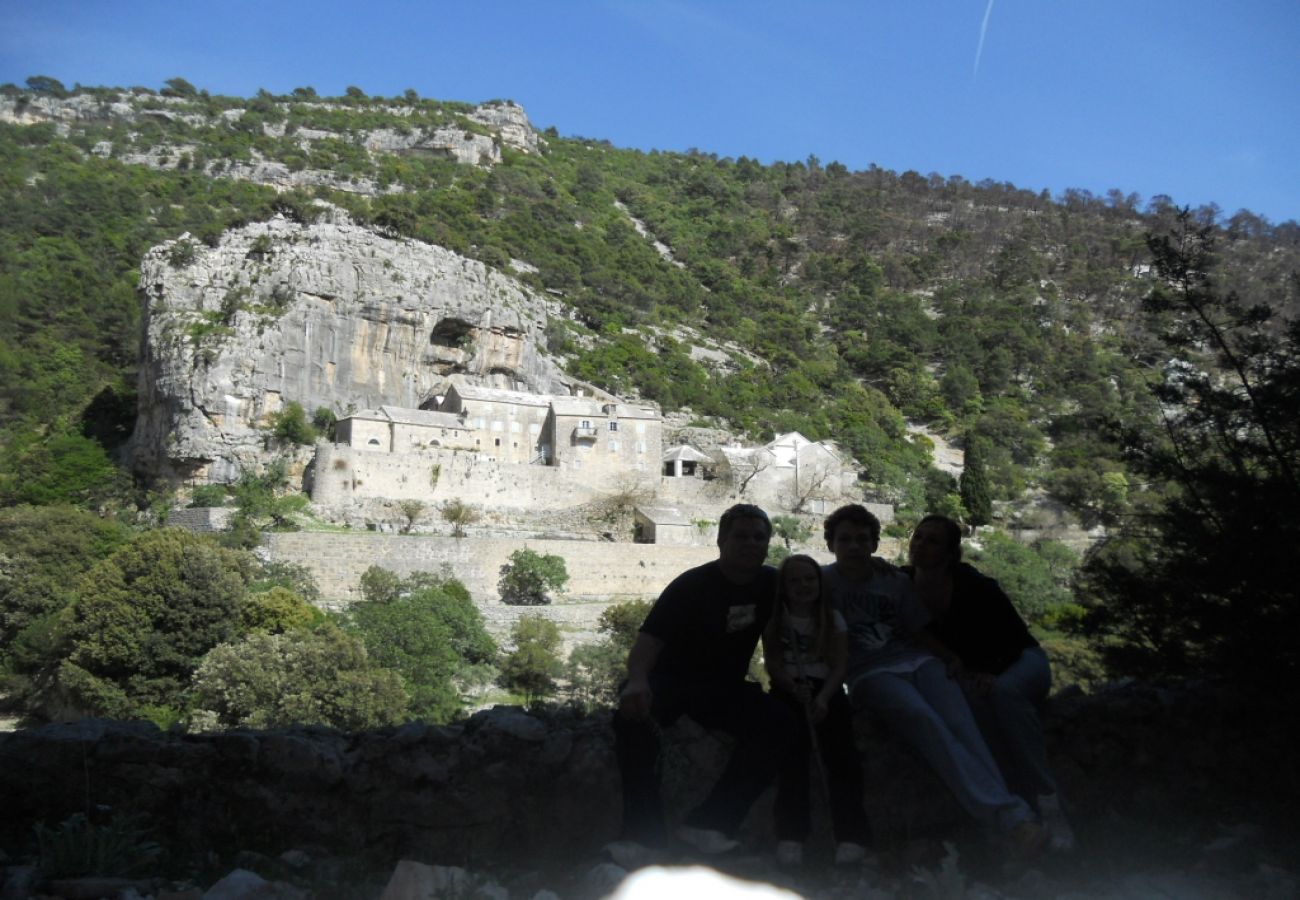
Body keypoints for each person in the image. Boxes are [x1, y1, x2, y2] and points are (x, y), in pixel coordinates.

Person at [822, 503, 1047, 855]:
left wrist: (948, 656)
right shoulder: (821, 582)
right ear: (830, 543)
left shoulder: (895, 580)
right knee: (925, 720)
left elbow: (917, 629)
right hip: (871, 672)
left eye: (862, 539)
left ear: (875, 544)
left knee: (963, 724)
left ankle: (1011, 821)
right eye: (845, 539)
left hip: (918, 661)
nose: (853, 546)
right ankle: (1011, 818)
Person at [612, 503, 799, 858]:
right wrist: (637, 680)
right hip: (672, 680)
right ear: (720, 540)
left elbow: (818, 587)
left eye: (759, 537)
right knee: (632, 722)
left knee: (781, 723)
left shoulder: (771, 584)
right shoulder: (692, 585)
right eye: (740, 536)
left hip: (724, 687)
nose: (750, 544)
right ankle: (641, 835)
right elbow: (649, 641)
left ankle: (711, 823)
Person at [907, 514, 1076, 851]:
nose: (921, 545)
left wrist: (991, 673)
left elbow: (1013, 639)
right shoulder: (902, 584)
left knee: (1003, 694)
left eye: (932, 540)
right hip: (974, 676)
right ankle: (1015, 811)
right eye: (918, 537)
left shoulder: (975, 586)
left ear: (951, 553)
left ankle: (1049, 803)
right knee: (974, 711)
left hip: (1021, 663)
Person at [762, 553, 872, 866]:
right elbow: (773, 663)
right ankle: (791, 835)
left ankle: (851, 835)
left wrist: (823, 698)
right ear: (783, 587)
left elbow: (839, 666)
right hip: (789, 691)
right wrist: (790, 686)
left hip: (827, 691)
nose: (803, 586)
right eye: (794, 580)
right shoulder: (776, 620)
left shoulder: (832, 619)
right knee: (791, 761)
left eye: (809, 579)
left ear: (819, 583)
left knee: (843, 760)